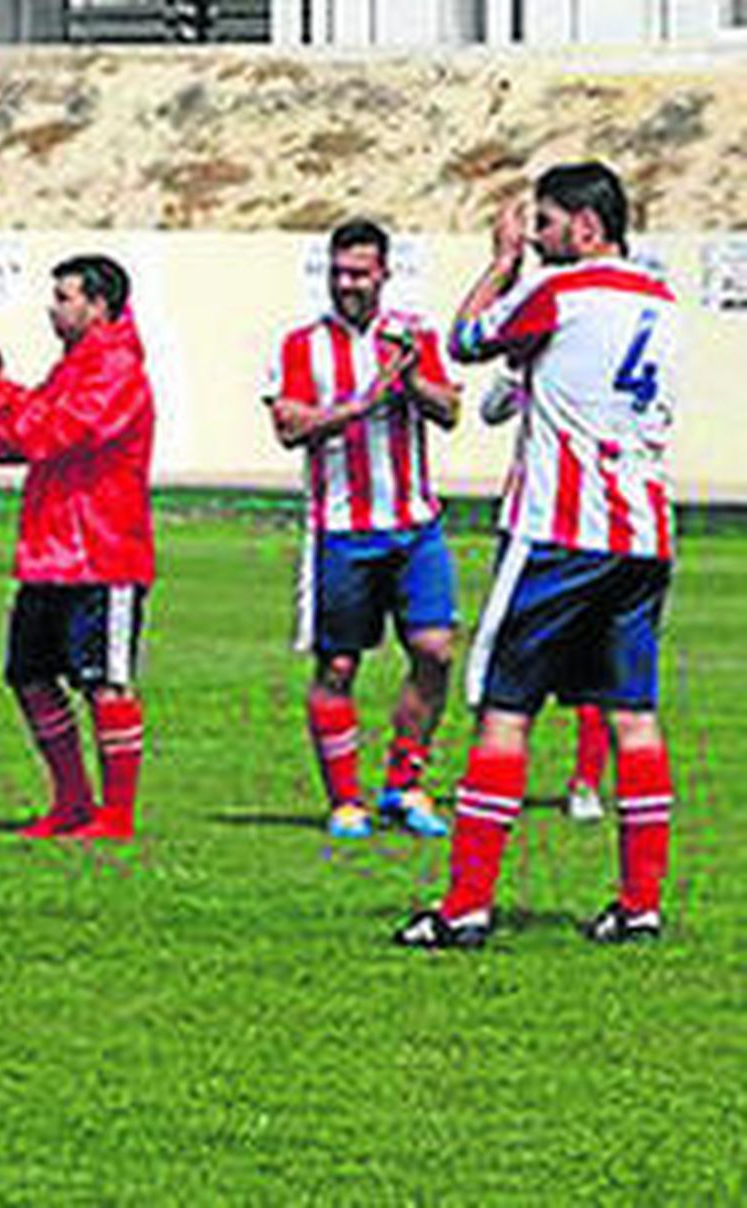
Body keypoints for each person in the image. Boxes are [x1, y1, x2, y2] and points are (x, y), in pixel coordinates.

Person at [397, 162, 679, 949]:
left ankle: (464, 908)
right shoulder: (660, 299)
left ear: (586, 228)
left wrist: (499, 264)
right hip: (644, 533)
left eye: (547, 224)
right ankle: (639, 904)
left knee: (503, 711)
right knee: (634, 716)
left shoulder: (560, 291)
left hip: (561, 532)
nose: (538, 238)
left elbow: (462, 341)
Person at [265, 220, 462, 840]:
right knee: (339, 667)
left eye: (360, 272)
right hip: (342, 530)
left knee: (435, 652)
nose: (348, 284)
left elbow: (450, 410)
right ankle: (345, 800)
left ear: (383, 273)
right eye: (339, 272)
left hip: (414, 525)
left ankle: (404, 784)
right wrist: (356, 406)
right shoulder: (302, 344)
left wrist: (408, 383)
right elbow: (289, 424)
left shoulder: (412, 337)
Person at [0, 255, 153, 840]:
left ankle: (115, 816)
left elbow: (50, 433)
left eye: (65, 297)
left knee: (105, 684)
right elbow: (30, 427)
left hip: (103, 552)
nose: (53, 307)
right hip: (50, 552)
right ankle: (71, 801)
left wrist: (3, 406)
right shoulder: (74, 366)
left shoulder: (118, 370)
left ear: (98, 306)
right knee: (29, 675)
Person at [481, 370, 613, 823]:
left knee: (593, 663)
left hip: (594, 525)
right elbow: (491, 411)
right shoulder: (541, 364)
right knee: (514, 660)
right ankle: (498, 781)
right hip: (530, 524)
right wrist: (515, 374)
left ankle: (585, 782)